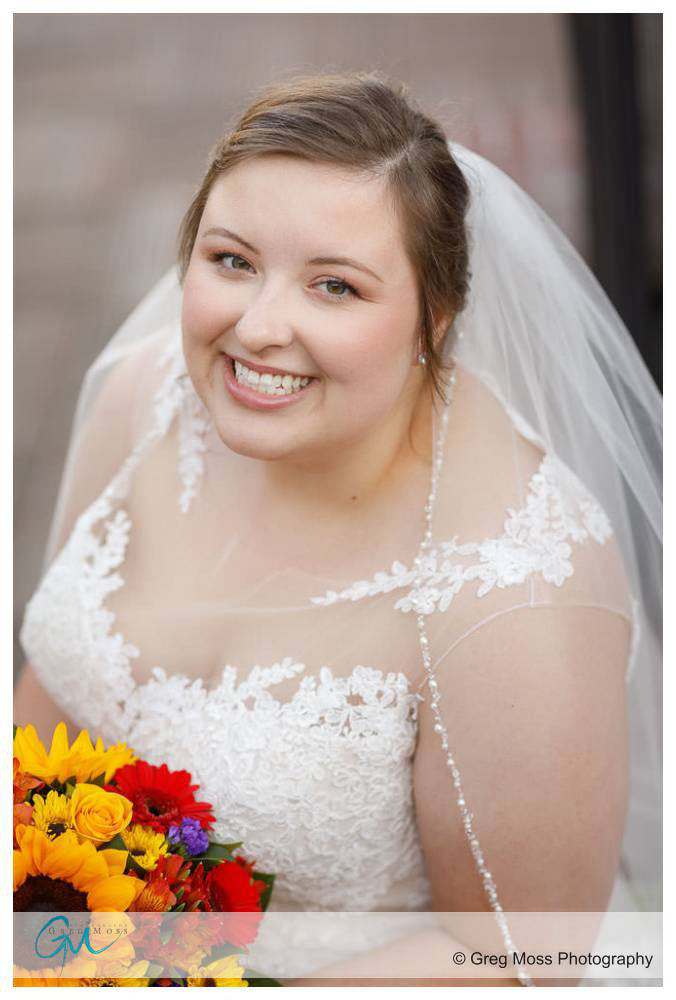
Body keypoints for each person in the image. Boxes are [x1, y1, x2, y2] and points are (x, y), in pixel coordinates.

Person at [15, 73, 661, 986]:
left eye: (335, 287)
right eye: (231, 261)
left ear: (432, 322)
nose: (258, 327)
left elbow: (526, 960)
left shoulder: (514, 586)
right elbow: (50, 711)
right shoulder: (144, 396)